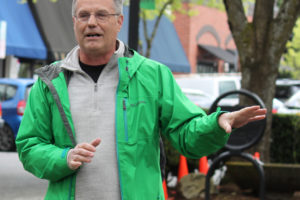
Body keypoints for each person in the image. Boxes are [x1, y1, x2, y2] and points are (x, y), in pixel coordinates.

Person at [15, 0, 267, 199]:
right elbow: (29, 146)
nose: (91, 23)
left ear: (119, 22)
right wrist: (64, 158)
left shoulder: (153, 76)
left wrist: (216, 123)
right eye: (83, 15)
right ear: (74, 22)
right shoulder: (50, 81)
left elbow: (185, 134)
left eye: (101, 15)